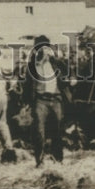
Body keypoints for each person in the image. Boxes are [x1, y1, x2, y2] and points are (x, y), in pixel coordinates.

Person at [24, 35, 71, 168]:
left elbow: (66, 73)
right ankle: (40, 161)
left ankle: (58, 158)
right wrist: (27, 102)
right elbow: (27, 85)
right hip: (40, 100)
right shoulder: (32, 65)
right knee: (39, 131)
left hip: (55, 99)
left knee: (58, 130)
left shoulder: (56, 62)